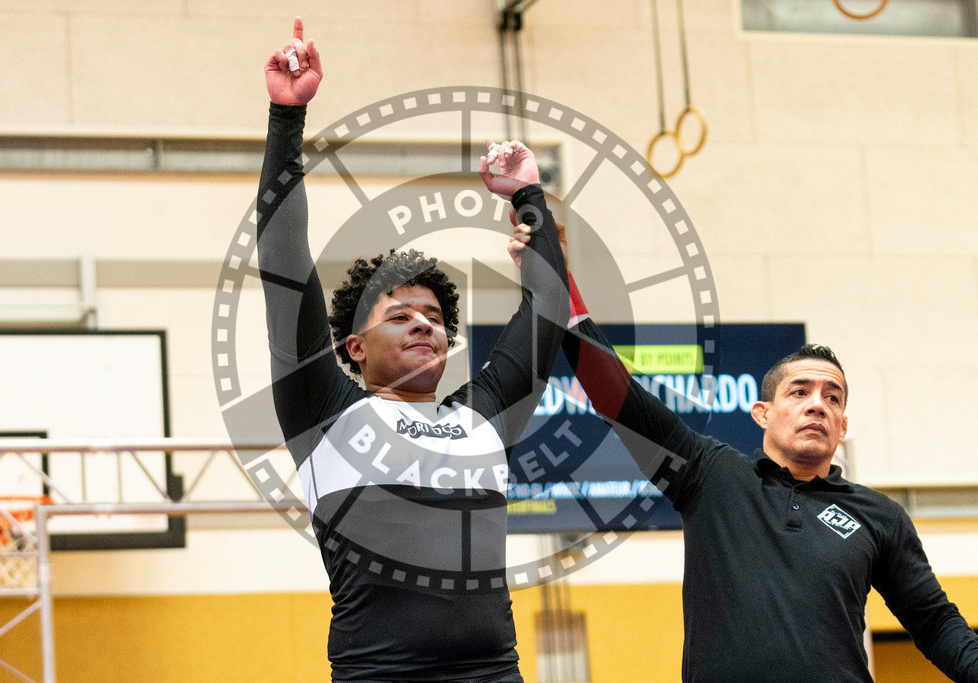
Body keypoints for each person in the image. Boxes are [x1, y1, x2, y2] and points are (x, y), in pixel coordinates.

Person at [508, 219, 978, 682]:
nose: (818, 404)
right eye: (799, 392)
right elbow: (617, 398)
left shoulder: (881, 516)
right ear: (762, 413)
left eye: (832, 398)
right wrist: (558, 282)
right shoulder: (709, 474)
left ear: (843, 426)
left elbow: (936, 623)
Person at [257, 18, 569, 681]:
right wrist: (288, 119)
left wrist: (529, 199)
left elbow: (549, 312)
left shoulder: (479, 419)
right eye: (399, 315)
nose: (423, 324)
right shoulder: (325, 415)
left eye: (433, 316)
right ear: (354, 346)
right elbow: (285, 267)